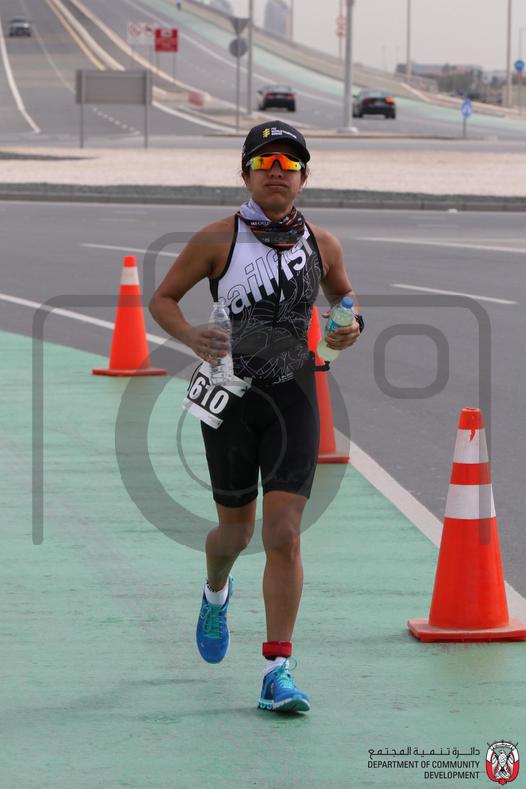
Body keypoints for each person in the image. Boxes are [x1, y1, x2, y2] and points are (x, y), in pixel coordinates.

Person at [149, 120, 363, 713]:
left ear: (303, 178)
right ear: (245, 174)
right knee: (236, 534)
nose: (276, 171)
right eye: (265, 161)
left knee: (283, 534)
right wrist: (190, 335)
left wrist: (350, 325)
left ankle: (277, 670)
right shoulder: (218, 238)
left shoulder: (323, 244)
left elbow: (344, 297)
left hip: (294, 396)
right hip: (231, 398)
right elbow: (162, 299)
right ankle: (216, 591)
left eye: (288, 164)